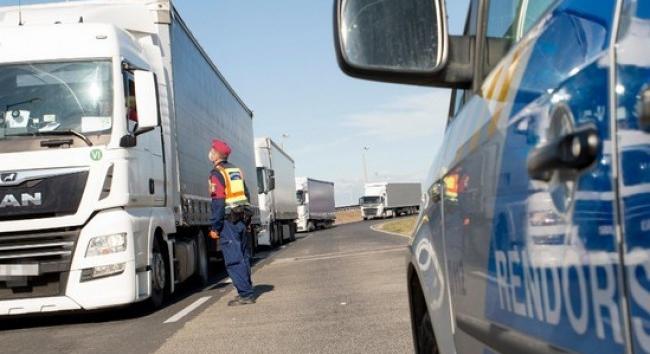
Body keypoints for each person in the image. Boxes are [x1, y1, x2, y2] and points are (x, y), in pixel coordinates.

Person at [208, 139, 255, 306]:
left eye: (211, 150)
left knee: (234, 259)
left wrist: (215, 226)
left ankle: (245, 294)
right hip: (242, 218)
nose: (210, 152)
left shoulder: (217, 173)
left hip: (229, 221)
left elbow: (218, 202)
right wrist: (248, 219)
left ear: (216, 155)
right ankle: (247, 290)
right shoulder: (236, 171)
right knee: (243, 256)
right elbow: (246, 195)